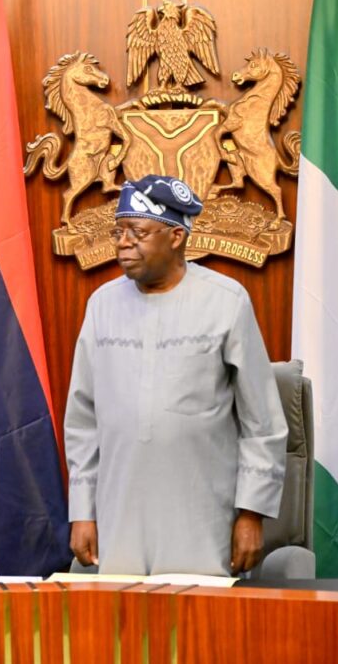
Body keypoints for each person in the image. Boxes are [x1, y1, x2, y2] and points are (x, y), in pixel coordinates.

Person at [64, 174, 287, 577]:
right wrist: (82, 511)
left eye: (137, 232)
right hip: (119, 513)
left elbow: (263, 423)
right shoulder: (102, 305)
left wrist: (251, 514)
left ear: (175, 236)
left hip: (202, 513)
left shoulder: (226, 301)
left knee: (199, 614)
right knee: (123, 615)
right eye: (119, 231)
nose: (123, 242)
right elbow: (82, 421)